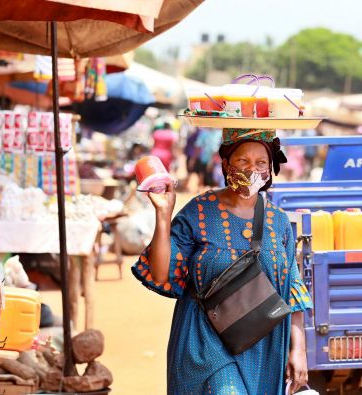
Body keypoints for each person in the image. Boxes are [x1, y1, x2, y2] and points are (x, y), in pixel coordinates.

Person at [132, 129, 313, 395]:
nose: (252, 169)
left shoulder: (279, 221)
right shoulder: (198, 212)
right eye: (243, 161)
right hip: (205, 340)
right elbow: (161, 274)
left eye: (261, 162)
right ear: (226, 163)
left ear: (270, 168)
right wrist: (163, 215)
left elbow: (292, 288)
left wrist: (299, 349)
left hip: (264, 347)